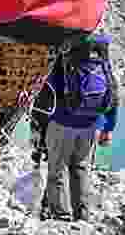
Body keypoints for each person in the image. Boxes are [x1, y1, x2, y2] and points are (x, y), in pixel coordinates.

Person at [32, 33, 118, 222]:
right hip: (89, 125)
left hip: (62, 123)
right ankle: (82, 215)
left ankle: (61, 216)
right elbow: (113, 94)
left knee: (57, 170)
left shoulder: (62, 62)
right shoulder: (102, 63)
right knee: (80, 168)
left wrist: (37, 126)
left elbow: (46, 95)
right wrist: (108, 128)